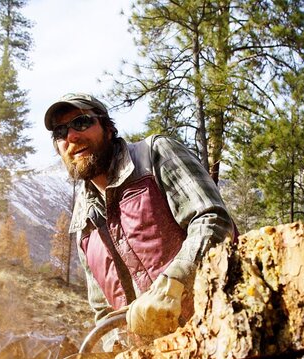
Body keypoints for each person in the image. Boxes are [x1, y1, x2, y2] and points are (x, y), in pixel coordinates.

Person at [44, 93, 235, 338]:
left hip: (224, 330)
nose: (71, 136)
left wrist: (173, 284)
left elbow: (213, 220)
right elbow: (104, 313)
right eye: (60, 132)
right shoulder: (83, 224)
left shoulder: (154, 155)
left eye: (81, 122)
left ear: (108, 128)